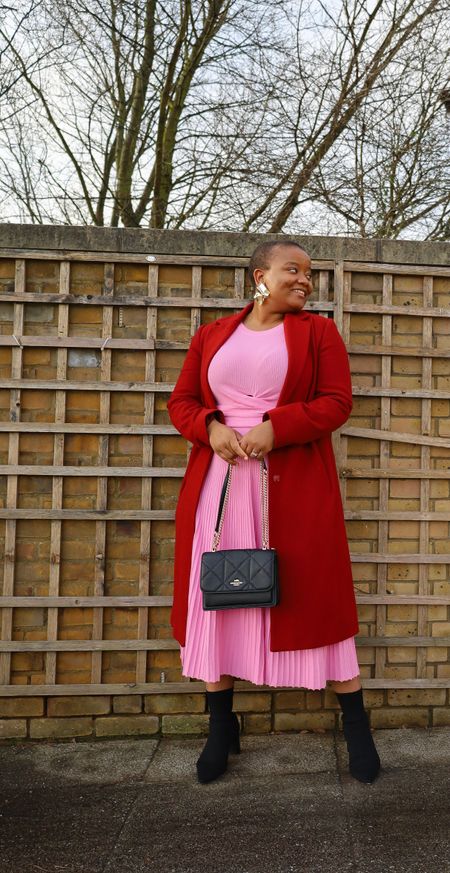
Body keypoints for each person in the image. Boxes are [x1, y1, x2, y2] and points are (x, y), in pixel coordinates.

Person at [167, 239, 381, 786]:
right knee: (219, 600)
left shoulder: (318, 333)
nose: (305, 280)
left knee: (313, 596)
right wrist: (212, 428)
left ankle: (356, 724)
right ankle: (220, 728)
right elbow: (182, 402)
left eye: (309, 274)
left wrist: (275, 428)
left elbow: (336, 402)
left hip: (293, 488)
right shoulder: (212, 335)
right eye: (294, 269)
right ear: (260, 275)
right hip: (219, 485)